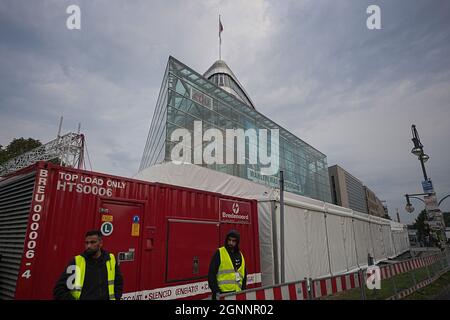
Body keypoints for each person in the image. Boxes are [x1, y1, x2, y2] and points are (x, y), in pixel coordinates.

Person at [53, 230, 123, 300]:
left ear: (101, 243)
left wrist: (116, 297)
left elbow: (118, 283)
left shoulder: (111, 259)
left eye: (93, 242)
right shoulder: (77, 262)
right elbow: (59, 290)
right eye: (86, 243)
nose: (88, 246)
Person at [208, 229, 247, 300]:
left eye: (234, 241)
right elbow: (211, 274)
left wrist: (243, 291)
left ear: (237, 242)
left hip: (237, 293)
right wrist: (216, 292)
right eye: (229, 240)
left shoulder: (240, 255)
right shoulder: (219, 252)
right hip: (222, 294)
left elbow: (244, 275)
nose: (231, 243)